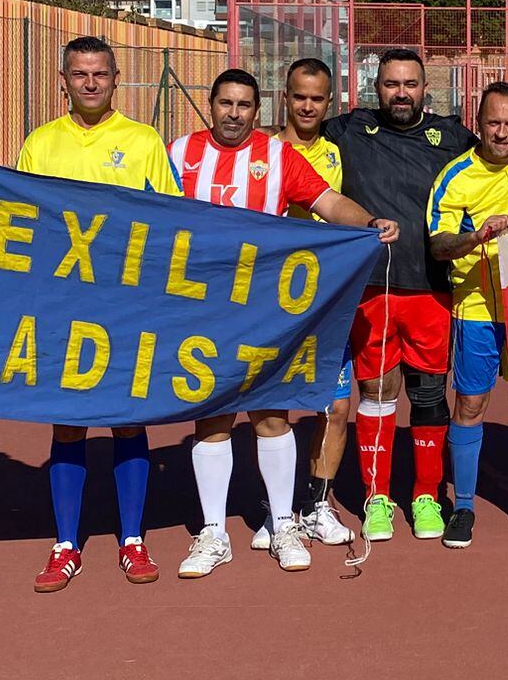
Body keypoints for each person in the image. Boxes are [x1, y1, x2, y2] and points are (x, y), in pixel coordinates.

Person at [167, 67, 396, 579]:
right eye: (224, 103)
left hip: (265, 311)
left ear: (257, 110)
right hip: (202, 311)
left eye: (243, 105)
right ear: (210, 104)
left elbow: (328, 202)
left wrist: (369, 221)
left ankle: (284, 522)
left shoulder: (277, 157)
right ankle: (214, 533)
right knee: (213, 419)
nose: (233, 113)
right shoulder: (180, 154)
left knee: (272, 417)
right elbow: (142, 210)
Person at [19, 35, 180, 592]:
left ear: (116, 79)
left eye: (100, 74)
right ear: (62, 80)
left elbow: (171, 220)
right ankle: (66, 544)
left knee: (128, 417)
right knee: (68, 421)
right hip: (64, 307)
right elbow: (22, 218)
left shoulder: (142, 141)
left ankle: (132, 540)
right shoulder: (40, 144)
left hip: (127, 305)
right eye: (79, 74)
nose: (90, 83)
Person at [323, 49, 471, 544]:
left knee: (428, 395)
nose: (401, 93)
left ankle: (426, 496)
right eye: (390, 84)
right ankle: (376, 499)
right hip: (372, 288)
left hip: (432, 287)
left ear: (425, 88)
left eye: (410, 84)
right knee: (378, 392)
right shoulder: (347, 130)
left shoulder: (451, 136)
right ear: (376, 87)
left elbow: (501, 156)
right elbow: (294, 141)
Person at [250, 57, 377, 551]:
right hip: (271, 300)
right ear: (285, 97)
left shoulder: (341, 147)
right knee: (271, 407)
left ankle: (318, 503)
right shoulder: (262, 151)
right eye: (298, 96)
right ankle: (276, 512)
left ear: (330, 103)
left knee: (337, 404)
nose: (307, 105)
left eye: (317, 98)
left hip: (329, 298)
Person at [427, 82, 508, 546]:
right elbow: (438, 245)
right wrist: (475, 238)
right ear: (477, 124)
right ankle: (462, 506)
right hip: (477, 308)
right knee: (470, 404)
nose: (502, 133)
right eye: (492, 123)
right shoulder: (456, 176)